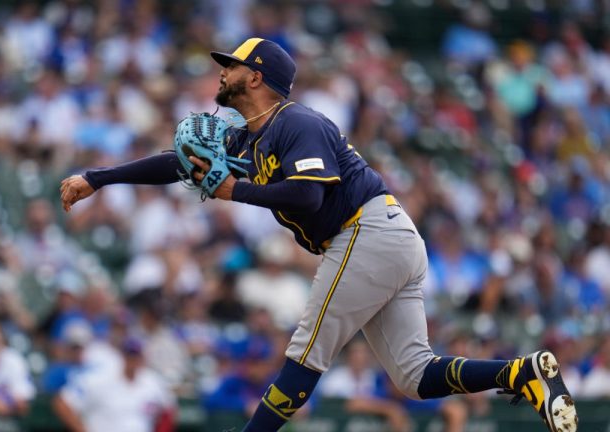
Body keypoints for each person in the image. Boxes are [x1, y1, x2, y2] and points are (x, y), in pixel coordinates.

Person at [59, 38, 578, 432]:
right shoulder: (250, 135)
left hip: (366, 232)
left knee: (305, 356)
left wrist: (230, 192)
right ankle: (520, 374)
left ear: (257, 77)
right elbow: (179, 163)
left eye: (232, 64)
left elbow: (307, 196)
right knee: (415, 378)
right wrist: (98, 179)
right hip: (383, 239)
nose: (223, 72)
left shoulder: (297, 122)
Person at [52, 338, 176, 432]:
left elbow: (168, 410)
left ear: (142, 357)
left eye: (136, 356)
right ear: (121, 356)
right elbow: (62, 403)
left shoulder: (152, 381)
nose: (132, 360)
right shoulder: (99, 378)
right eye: (129, 355)